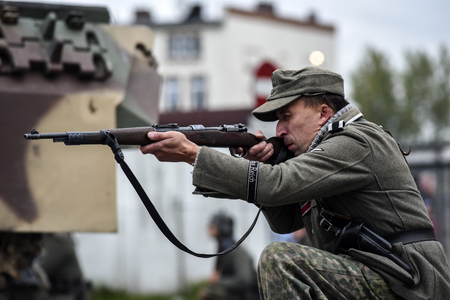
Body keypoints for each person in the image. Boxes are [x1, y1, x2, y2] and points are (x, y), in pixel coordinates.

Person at [140, 67, 450, 299]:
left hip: (411, 281)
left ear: (323, 113)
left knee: (280, 260)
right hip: (386, 273)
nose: (279, 128)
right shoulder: (325, 149)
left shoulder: (354, 142)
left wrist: (193, 154)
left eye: (287, 116)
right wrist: (262, 164)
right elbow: (284, 217)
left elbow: (277, 185)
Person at [200, 212, 259, 300]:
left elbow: (243, 281)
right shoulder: (224, 248)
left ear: (221, 227)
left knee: (209, 295)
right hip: (238, 294)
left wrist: (218, 281)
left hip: (248, 296)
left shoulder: (237, 252)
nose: (209, 228)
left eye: (213, 225)